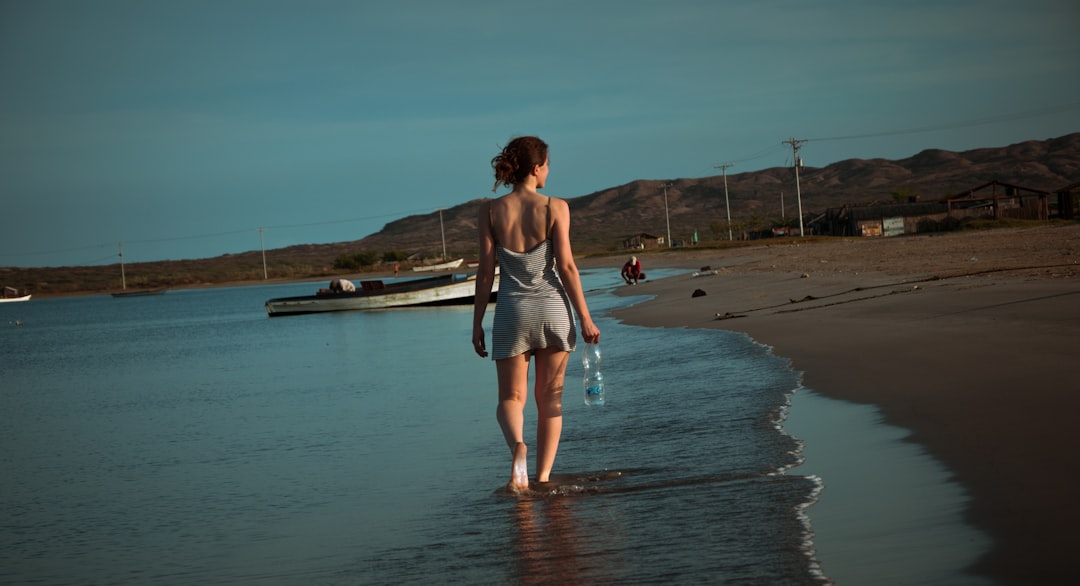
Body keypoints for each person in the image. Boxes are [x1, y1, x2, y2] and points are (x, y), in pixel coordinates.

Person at [472, 136, 601, 493]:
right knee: (551, 400)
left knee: (511, 399)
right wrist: (586, 319)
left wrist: (477, 323)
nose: (549, 170)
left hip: (512, 313)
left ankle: (518, 448)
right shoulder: (555, 207)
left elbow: (486, 272)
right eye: (547, 164)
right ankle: (542, 480)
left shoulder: (490, 210)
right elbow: (568, 267)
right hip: (553, 311)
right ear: (536, 168)